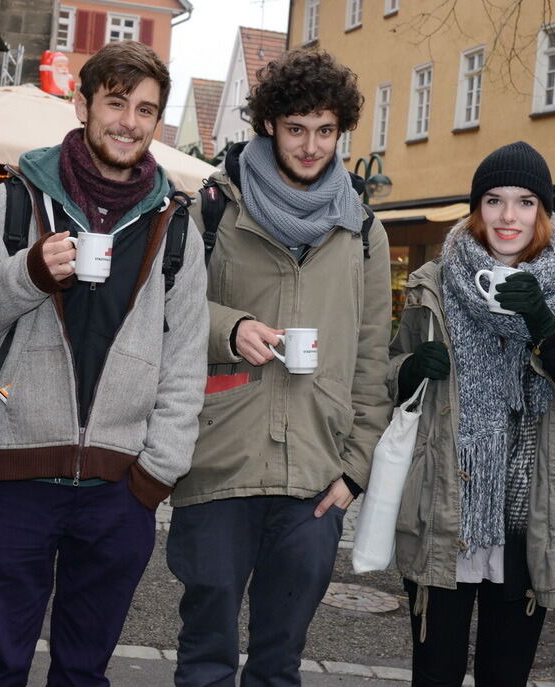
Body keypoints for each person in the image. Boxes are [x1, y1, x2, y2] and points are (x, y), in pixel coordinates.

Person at [0, 40, 208, 686]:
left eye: (146, 109)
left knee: (83, 671)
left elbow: (186, 360)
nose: (129, 121)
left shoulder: (177, 226)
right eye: (117, 102)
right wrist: (30, 271)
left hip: (119, 490)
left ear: (159, 123)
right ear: (82, 105)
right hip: (17, 475)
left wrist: (154, 476)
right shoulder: (16, 202)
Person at [167, 49, 393, 687]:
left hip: (316, 477)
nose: (311, 145)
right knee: (204, 658)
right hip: (217, 460)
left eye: (326, 130)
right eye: (296, 128)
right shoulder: (213, 210)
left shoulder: (362, 230)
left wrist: (355, 468)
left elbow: (373, 357)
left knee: (278, 664)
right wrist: (229, 329)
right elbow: (169, 313)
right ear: (269, 125)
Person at [389, 141, 555, 686]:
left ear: (544, 211)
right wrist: (410, 371)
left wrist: (545, 327)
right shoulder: (434, 283)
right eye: (493, 200)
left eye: (524, 201)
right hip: (444, 511)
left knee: (504, 677)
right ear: (476, 207)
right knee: (434, 674)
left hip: (528, 519)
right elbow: (386, 377)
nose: (507, 216)